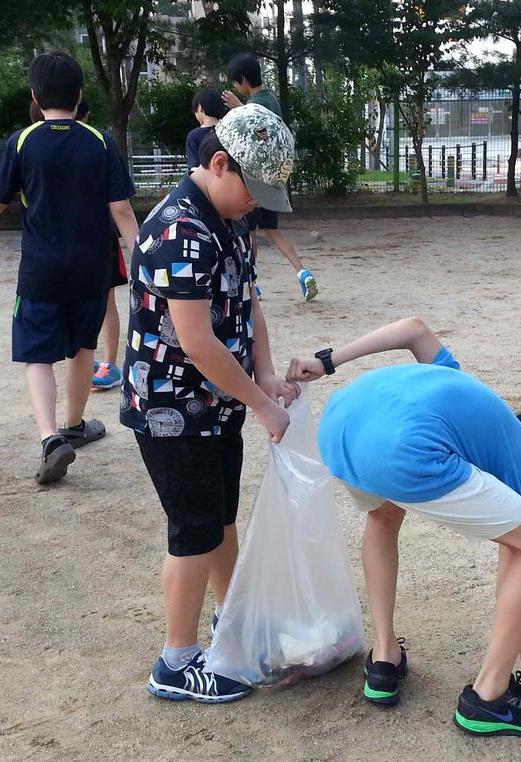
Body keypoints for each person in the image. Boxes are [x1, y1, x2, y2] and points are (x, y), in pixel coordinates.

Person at [287, 318, 521, 738]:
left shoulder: (460, 388)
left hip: (340, 426)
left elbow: (413, 328)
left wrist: (326, 361)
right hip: (401, 448)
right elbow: (517, 560)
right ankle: (490, 696)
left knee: (384, 513)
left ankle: (385, 658)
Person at [121, 104, 299, 703]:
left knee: (221, 515)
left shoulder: (233, 221)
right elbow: (195, 342)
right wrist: (263, 404)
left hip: (217, 406)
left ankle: (231, 617)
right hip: (170, 408)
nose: (260, 203)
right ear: (220, 164)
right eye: (256, 188)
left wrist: (266, 374)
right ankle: (175, 661)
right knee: (193, 530)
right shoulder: (179, 229)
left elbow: (248, 305)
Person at [0, 51, 138, 485]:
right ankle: (75, 426)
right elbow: (121, 209)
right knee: (83, 347)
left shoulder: (21, 142)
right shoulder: (99, 141)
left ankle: (49, 438)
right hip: (91, 268)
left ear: (35, 96)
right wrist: (140, 260)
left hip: (41, 270)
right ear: (80, 96)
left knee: (36, 354)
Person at [28, 99, 128, 392]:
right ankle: (105, 363)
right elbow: (120, 206)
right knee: (104, 303)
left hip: (51, 251)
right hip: (97, 244)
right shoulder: (97, 143)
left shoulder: (32, 143)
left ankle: (102, 363)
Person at [222, 53, 318, 302]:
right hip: (271, 180)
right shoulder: (269, 99)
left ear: (242, 80)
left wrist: (239, 108)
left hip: (257, 181)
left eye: (235, 83)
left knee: (248, 233)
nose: (235, 88)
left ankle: (251, 283)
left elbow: (261, 132)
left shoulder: (259, 104)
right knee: (272, 231)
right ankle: (301, 271)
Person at [185, 89, 227, 171]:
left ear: (200, 108)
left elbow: (194, 168)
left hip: (206, 182)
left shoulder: (194, 136)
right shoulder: (229, 130)